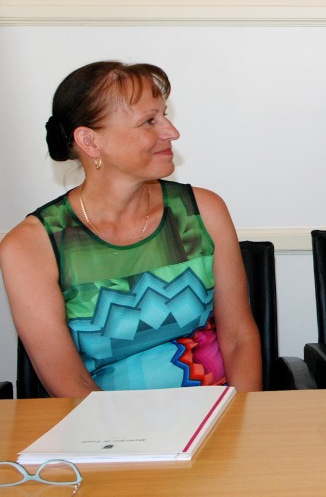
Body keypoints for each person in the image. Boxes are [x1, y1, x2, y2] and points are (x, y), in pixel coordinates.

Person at [0, 61, 262, 396]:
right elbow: (70, 384)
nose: (172, 132)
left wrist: (243, 418)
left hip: (216, 413)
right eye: (149, 121)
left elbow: (239, 337)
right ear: (90, 142)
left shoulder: (203, 211)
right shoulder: (30, 247)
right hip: (103, 423)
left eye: (164, 115)